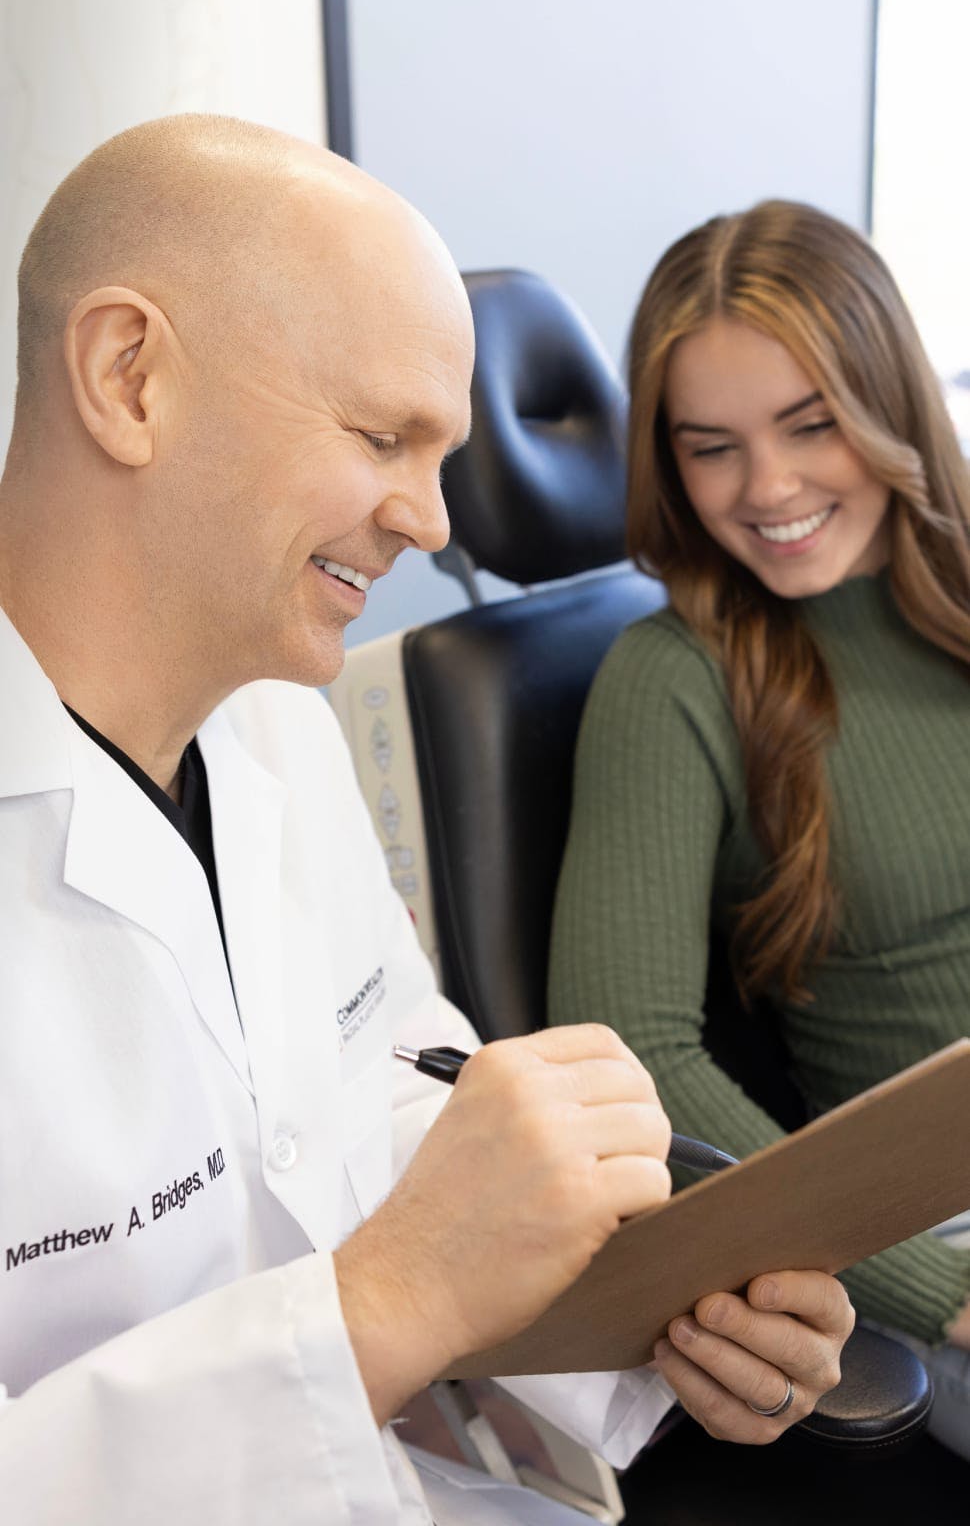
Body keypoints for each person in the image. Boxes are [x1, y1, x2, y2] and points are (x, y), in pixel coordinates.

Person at [0, 123, 853, 1525]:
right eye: (382, 435)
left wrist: (659, 1288)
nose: (428, 514)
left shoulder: (272, 727)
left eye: (444, 450)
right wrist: (386, 1300)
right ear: (128, 376)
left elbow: (380, 1088)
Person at [548, 197, 970, 1461]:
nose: (769, 487)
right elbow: (636, 1067)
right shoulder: (670, 678)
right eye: (710, 446)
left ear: (888, 401)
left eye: (810, 424)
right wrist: (934, 1294)